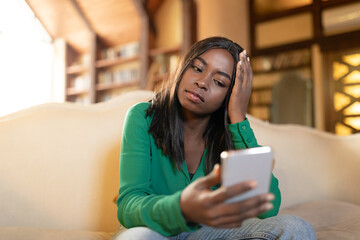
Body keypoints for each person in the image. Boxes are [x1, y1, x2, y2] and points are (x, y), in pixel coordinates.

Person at [111, 36, 316, 240]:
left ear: (230, 94)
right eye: (197, 68)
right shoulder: (142, 116)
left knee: (296, 228)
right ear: (183, 69)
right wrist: (182, 208)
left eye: (219, 82)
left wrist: (238, 118)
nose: (202, 82)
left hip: (206, 231)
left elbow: (267, 210)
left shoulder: (229, 134)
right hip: (153, 228)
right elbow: (129, 203)